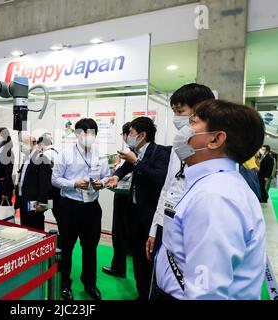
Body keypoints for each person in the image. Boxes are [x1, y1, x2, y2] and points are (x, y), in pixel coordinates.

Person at [152, 100, 267, 300]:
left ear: (215, 139)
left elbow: (207, 292)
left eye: (193, 122)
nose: (184, 130)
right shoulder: (211, 184)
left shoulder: (215, 197)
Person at [145, 84, 215, 263]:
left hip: (191, 231)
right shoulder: (179, 147)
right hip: (167, 223)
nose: (177, 117)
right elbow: (166, 189)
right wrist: (155, 229)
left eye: (181, 111)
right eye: (174, 111)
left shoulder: (214, 153)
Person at [106, 117, 170, 300]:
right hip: (133, 212)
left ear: (142, 135)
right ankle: (142, 293)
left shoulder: (160, 152)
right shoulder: (134, 153)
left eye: (131, 133)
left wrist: (137, 163)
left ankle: (151, 294)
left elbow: (159, 178)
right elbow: (124, 168)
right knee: (137, 257)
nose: (128, 136)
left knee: (149, 257)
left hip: (150, 216)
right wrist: (116, 177)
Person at [52, 118, 110, 301]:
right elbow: (55, 179)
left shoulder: (100, 155)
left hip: (92, 208)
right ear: (77, 134)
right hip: (69, 207)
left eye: (93, 132)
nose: (89, 136)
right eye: (86, 132)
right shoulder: (65, 154)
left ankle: (89, 282)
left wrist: (103, 183)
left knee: (90, 248)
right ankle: (64, 283)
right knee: (66, 247)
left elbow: (107, 177)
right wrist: (74, 183)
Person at [102, 122, 134, 279]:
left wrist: (114, 167)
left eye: (125, 134)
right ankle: (119, 266)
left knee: (120, 233)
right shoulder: (131, 152)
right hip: (128, 197)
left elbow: (125, 177)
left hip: (124, 197)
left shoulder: (130, 154)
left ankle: (119, 268)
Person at [14, 135, 51, 231]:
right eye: (21, 143)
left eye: (24, 143)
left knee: (35, 229)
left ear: (34, 143)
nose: (22, 146)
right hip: (24, 201)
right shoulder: (27, 158)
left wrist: (42, 204)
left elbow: (45, 183)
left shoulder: (41, 158)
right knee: (25, 227)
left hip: (35, 203)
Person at [37, 132, 61, 226]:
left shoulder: (45, 154)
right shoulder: (58, 150)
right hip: (59, 188)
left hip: (51, 190)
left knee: (42, 211)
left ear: (42, 144)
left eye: (39, 146)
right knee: (59, 215)